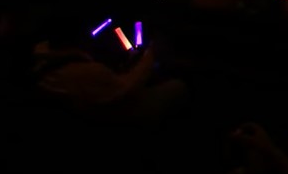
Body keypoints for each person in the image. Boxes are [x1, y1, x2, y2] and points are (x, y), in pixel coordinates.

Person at [32, 17, 185, 123]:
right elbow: (126, 89)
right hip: (108, 116)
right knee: (177, 87)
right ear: (78, 37)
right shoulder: (85, 71)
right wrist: (150, 55)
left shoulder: (42, 60)